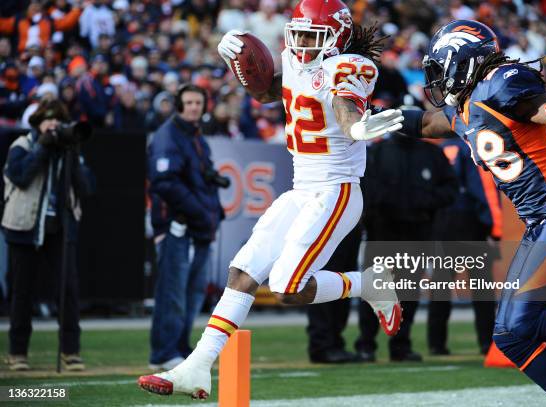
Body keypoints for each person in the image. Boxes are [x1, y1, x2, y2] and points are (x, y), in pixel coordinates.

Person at [138, 0, 404, 398]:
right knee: (243, 271)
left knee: (286, 287)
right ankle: (196, 366)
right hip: (302, 189)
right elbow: (265, 92)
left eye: (313, 37)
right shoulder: (298, 62)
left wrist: (358, 128)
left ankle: (366, 284)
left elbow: (344, 108)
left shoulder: (349, 67)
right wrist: (236, 59)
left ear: (338, 39)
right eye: (298, 35)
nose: (302, 46)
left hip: (336, 191)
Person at [368, 19, 546, 407]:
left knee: (515, 330)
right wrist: (374, 114)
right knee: (515, 331)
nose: (436, 79)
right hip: (543, 222)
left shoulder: (500, 83)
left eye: (439, 67)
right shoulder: (464, 108)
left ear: (462, 59)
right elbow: (428, 123)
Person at [2, 99, 91, 371]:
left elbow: (87, 187)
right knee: (22, 291)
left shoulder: (68, 149)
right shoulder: (22, 146)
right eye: (47, 121)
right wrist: (42, 147)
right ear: (37, 123)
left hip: (60, 229)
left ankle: (70, 351)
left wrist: (73, 154)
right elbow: (20, 176)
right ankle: (18, 353)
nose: (53, 126)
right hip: (23, 227)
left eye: (58, 121)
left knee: (68, 291)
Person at [355, 129, 458, 362]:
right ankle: (366, 344)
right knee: (373, 289)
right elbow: (364, 188)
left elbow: (450, 189)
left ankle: (400, 345)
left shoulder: (433, 153)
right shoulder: (377, 152)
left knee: (408, 292)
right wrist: (375, 212)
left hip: (418, 233)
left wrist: (425, 201)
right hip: (382, 231)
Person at [147, 84, 224, 371]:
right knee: (173, 292)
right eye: (189, 102)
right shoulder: (168, 135)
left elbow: (202, 179)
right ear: (179, 105)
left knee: (193, 293)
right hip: (176, 225)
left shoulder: (196, 137)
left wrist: (216, 212)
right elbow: (164, 182)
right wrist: (201, 212)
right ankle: (164, 352)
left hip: (198, 226)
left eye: (198, 102)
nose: (194, 107)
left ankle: (179, 347)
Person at [428, 137, 501, 355]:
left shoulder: (440, 149)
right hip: (471, 225)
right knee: (482, 290)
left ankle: (436, 343)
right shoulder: (472, 148)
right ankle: (487, 342)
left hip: (443, 225)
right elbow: (485, 191)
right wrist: (495, 230)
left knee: (440, 288)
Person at [307, 225, 361, 364]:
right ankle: (321, 345)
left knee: (345, 281)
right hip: (328, 223)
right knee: (324, 280)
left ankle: (335, 341)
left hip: (351, 221)